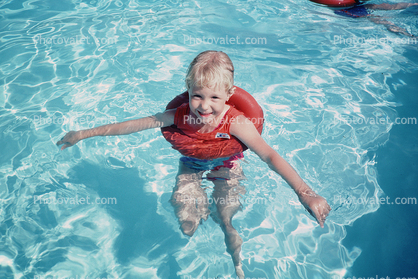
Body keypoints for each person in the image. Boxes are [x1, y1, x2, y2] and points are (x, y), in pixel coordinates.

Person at [56, 50, 331, 279]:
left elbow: (270, 156)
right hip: (192, 163)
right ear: (188, 90)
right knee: (185, 218)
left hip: (227, 164)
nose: (204, 105)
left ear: (229, 93)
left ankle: (235, 259)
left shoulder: (236, 122)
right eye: (197, 95)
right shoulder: (179, 115)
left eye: (214, 97)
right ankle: (190, 258)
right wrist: (83, 134)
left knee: (225, 216)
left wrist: (305, 193)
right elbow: (134, 125)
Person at [334, 1, 418, 37]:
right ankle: (409, 35)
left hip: (350, 6)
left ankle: (414, 4)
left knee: (386, 8)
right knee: (383, 21)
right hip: (349, 10)